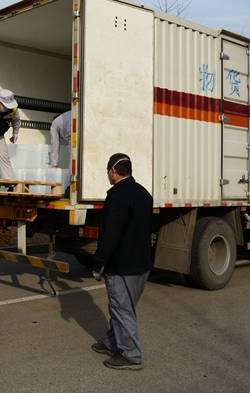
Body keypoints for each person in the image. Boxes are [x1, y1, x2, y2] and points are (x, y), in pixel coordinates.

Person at [90, 153, 153, 371]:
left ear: (113, 171)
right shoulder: (144, 194)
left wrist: (98, 263)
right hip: (141, 265)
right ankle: (112, 342)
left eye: (108, 171)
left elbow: (110, 235)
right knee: (124, 308)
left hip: (121, 266)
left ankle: (131, 355)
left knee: (121, 308)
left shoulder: (116, 196)